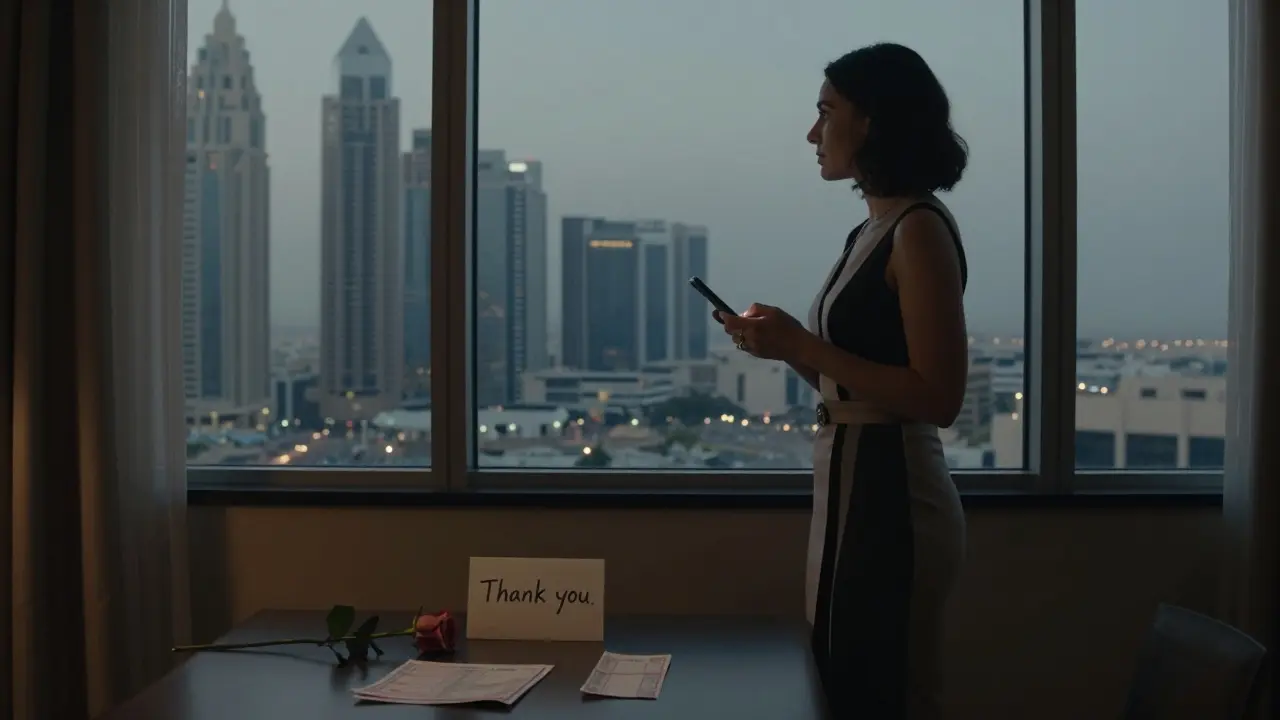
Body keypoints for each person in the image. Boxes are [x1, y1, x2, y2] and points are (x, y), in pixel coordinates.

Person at [718, 42, 969, 718]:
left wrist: (802, 343)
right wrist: (785, 351)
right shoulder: (872, 231)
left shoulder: (918, 231)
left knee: (883, 687)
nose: (812, 132)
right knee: (844, 678)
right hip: (853, 484)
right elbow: (855, 389)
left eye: (826, 112)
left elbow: (938, 396)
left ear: (872, 122)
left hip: (893, 496)